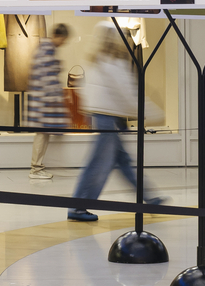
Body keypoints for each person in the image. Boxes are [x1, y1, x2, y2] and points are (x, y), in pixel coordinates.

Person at [68, 22, 163, 221]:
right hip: (109, 119)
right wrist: (153, 113)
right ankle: (78, 207)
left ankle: (148, 197)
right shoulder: (114, 62)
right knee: (98, 164)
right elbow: (128, 94)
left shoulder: (94, 60)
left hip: (104, 117)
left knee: (123, 162)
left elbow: (86, 91)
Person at [26, 22, 70, 180]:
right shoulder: (47, 50)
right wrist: (55, 100)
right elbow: (47, 78)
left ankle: (37, 167)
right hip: (45, 101)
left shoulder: (45, 49)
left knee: (43, 134)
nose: (63, 44)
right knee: (42, 134)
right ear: (58, 36)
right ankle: (36, 169)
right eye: (63, 40)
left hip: (42, 99)